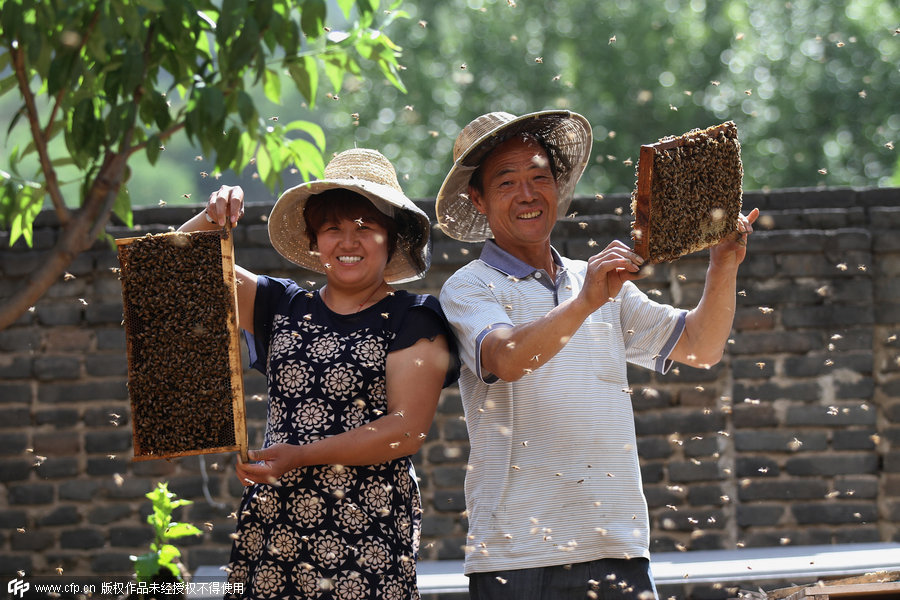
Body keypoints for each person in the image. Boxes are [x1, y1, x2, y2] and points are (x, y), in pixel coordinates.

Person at [435, 111, 759, 600]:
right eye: (507, 182)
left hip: (617, 544)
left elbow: (701, 346)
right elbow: (504, 357)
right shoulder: (471, 286)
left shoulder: (596, 282)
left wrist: (723, 264)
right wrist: (585, 301)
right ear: (478, 199)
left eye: (539, 177)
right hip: (520, 553)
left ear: (558, 186)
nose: (527, 193)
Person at [178, 148, 458, 600]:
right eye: (333, 229)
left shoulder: (414, 317)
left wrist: (300, 455)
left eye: (365, 228)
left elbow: (405, 432)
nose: (349, 242)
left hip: (365, 535)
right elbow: (175, 272)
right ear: (315, 241)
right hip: (274, 529)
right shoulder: (282, 305)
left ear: (392, 237)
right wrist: (210, 218)